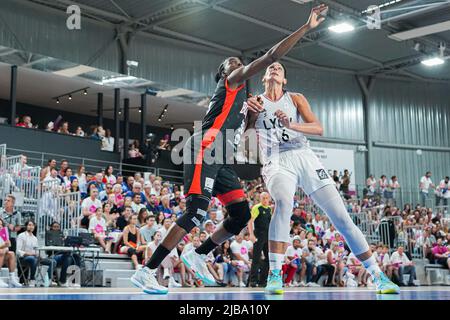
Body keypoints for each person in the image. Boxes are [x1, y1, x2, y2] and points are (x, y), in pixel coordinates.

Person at [131, 4, 328, 294]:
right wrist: (305, 28)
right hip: (206, 148)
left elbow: (246, 132)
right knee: (197, 212)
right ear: (224, 74)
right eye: (231, 63)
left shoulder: (243, 101)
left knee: (240, 215)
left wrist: (252, 117)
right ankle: (147, 272)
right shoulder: (231, 83)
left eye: (239, 63)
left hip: (223, 158)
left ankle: (198, 254)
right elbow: (272, 56)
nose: (236, 65)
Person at [245, 62, 399, 294]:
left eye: (279, 68)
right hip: (276, 159)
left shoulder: (295, 98)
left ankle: (378, 275)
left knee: (342, 219)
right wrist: (251, 114)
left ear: (284, 79)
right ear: (264, 77)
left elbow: (318, 128)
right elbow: (246, 136)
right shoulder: (254, 102)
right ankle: (275, 274)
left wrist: (290, 124)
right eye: (271, 68)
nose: (275, 68)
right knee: (284, 203)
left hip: (304, 156)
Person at [16, 221, 56, 287]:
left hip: (35, 258)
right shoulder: (21, 236)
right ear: (26, 226)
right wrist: (30, 254)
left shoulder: (35, 238)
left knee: (52, 261)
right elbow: (18, 251)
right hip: (23, 258)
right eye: (29, 225)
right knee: (33, 259)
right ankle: (32, 279)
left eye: (32, 225)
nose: (31, 227)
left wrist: (39, 256)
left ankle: (48, 280)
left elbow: (36, 251)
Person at [247, 192, 272, 287]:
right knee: (256, 258)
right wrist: (251, 235)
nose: (265, 200)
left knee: (268, 259)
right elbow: (250, 221)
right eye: (263, 198)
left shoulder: (269, 209)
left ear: (269, 199)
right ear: (260, 199)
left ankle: (263, 281)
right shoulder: (257, 207)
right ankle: (253, 281)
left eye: (266, 198)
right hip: (258, 235)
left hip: (267, 236)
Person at [0, 218, 22, 288]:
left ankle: (12, 278)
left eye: (1, 224)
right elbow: (5, 245)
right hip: (1, 253)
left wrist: (4, 247)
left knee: (11, 253)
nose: (0, 226)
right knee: (2, 251)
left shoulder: (3, 231)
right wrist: (3, 246)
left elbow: (9, 244)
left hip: (2, 254)